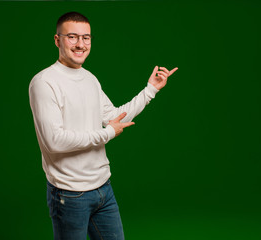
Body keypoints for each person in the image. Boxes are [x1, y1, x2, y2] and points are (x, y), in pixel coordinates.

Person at [29, 11, 178, 240]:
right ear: (57, 40)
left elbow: (114, 117)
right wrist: (107, 134)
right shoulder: (44, 82)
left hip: (103, 189)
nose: (80, 44)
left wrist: (150, 90)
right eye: (72, 37)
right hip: (69, 194)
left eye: (86, 38)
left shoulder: (90, 78)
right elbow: (54, 141)